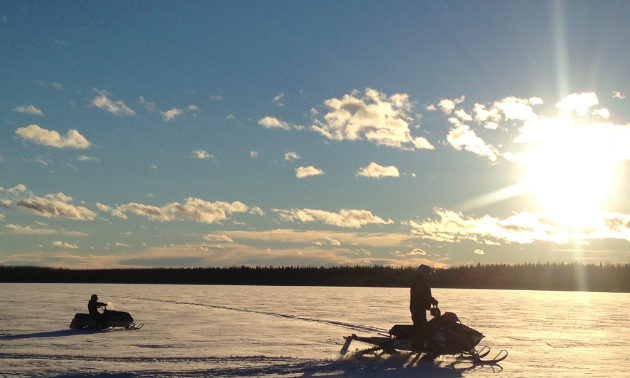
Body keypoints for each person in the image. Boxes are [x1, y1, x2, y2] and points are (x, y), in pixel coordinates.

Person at [410, 265, 438, 349]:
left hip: (420, 306)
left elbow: (424, 295)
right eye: (429, 273)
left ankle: (421, 344)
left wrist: (431, 300)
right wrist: (431, 300)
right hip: (417, 306)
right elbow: (421, 294)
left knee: (423, 326)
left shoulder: (422, 281)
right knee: (420, 326)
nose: (430, 275)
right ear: (424, 272)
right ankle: (418, 345)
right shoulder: (419, 281)